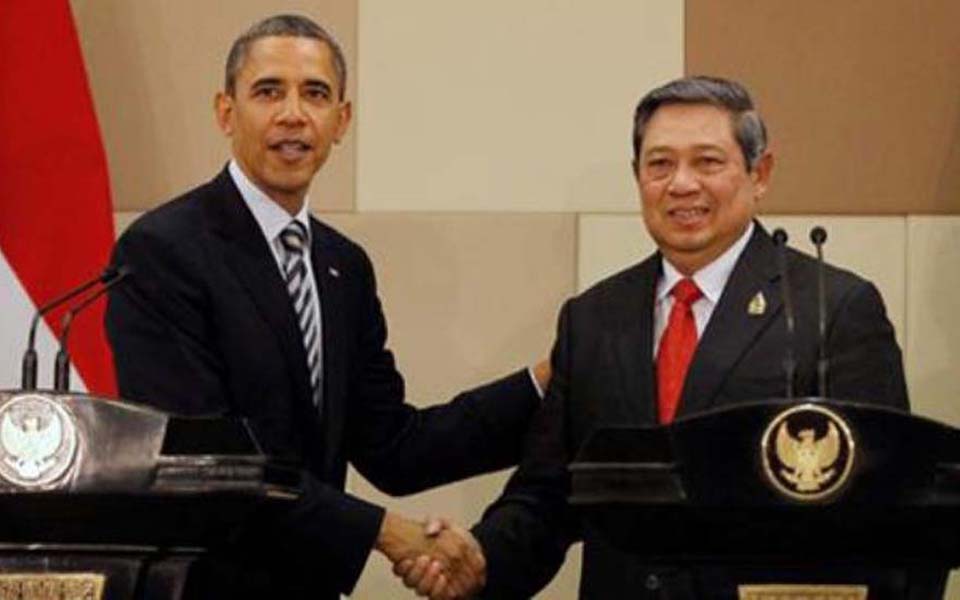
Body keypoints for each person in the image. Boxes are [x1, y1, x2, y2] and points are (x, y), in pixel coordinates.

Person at [398, 76, 912, 598]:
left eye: (708, 162)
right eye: (660, 164)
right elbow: (548, 494)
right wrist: (477, 560)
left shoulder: (834, 309)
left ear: (760, 174)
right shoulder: (593, 317)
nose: (682, 184)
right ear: (638, 176)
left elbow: (894, 510)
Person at [105, 14, 547, 600]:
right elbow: (209, 460)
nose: (293, 113)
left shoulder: (343, 266)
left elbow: (394, 447)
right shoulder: (164, 250)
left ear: (341, 120)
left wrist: (541, 384)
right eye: (268, 91)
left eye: (314, 94)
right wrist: (385, 532)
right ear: (225, 112)